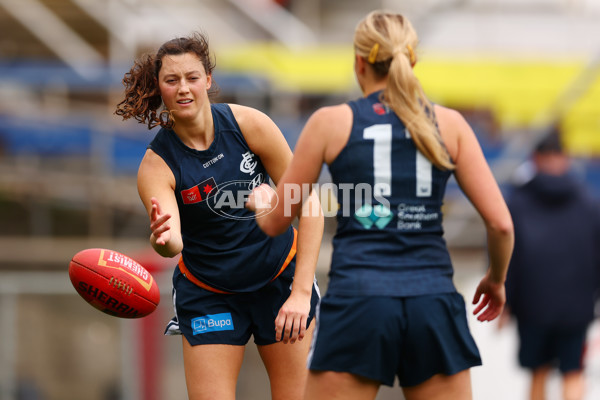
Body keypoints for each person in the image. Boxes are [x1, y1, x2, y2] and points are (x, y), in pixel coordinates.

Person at [246, 10, 514, 400]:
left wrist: (262, 201)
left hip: (359, 302)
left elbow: (275, 223)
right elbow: (502, 225)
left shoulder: (331, 123)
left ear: (359, 63)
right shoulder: (450, 124)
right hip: (432, 302)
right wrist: (497, 279)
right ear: (413, 59)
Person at [114, 32, 323, 400]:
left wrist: (301, 293)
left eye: (192, 78)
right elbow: (173, 240)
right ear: (159, 87)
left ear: (208, 80)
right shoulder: (156, 166)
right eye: (171, 80)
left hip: (281, 281)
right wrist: (162, 240)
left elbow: (309, 205)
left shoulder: (250, 125)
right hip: (210, 294)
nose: (183, 89)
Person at [502, 129, 600, 400]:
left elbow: (508, 254)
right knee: (573, 371)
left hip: (533, 305)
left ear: (534, 158)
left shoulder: (518, 202)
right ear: (565, 157)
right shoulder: (589, 202)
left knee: (538, 371)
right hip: (577, 306)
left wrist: (505, 300)